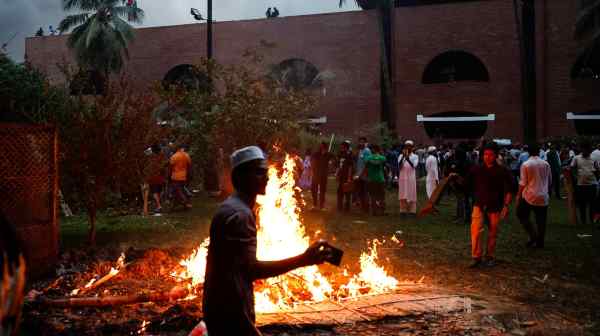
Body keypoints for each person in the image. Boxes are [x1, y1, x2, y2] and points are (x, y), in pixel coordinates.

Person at [202, 146, 333, 336]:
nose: (267, 177)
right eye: (259, 173)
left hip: (223, 306)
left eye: (266, 172)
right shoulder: (239, 215)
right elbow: (251, 269)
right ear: (240, 176)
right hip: (230, 311)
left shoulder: (235, 208)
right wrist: (304, 260)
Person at [459, 143, 514, 268]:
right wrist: (454, 178)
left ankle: (489, 256)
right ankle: (476, 257)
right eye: (485, 154)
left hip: (495, 206)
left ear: (495, 156)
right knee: (476, 231)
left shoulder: (502, 171)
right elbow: (465, 184)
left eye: (490, 155)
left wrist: (505, 206)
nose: (487, 157)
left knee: (493, 232)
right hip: (479, 205)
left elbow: (509, 189)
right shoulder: (476, 169)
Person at [516, 143, 551, 248]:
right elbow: (549, 181)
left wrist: (518, 196)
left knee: (521, 214)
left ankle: (533, 235)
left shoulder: (526, 164)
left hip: (529, 195)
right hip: (543, 196)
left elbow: (522, 183)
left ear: (528, 152)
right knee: (541, 220)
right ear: (539, 151)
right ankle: (540, 241)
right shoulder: (546, 164)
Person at [570, 142, 600, 225]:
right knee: (582, 204)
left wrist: (597, 177)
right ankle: (583, 221)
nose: (585, 152)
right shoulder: (576, 158)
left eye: (587, 150)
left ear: (590, 150)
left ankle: (591, 220)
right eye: (583, 149)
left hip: (592, 185)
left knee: (592, 204)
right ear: (581, 149)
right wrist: (575, 177)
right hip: (581, 185)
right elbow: (572, 168)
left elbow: (597, 170)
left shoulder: (594, 158)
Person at [144, 144, 167, 214]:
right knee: (159, 191)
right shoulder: (162, 156)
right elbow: (164, 165)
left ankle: (159, 206)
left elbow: (145, 154)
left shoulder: (151, 156)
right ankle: (159, 205)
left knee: (154, 192)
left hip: (153, 177)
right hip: (161, 176)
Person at [398, 140, 418, 216]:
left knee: (412, 193)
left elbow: (414, 166)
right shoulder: (400, 156)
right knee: (402, 193)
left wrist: (407, 158)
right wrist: (403, 156)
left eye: (410, 146)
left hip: (411, 178)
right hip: (403, 177)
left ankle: (412, 211)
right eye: (406, 146)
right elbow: (399, 166)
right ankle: (402, 210)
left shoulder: (415, 156)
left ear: (412, 147)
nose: (408, 147)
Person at [169, 144, 192, 210]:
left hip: (175, 176)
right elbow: (189, 165)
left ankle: (184, 201)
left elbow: (170, 167)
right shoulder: (186, 155)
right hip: (184, 175)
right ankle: (178, 204)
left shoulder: (174, 156)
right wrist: (189, 174)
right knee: (181, 189)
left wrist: (169, 175)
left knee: (178, 190)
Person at [365, 144, 387, 215]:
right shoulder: (382, 158)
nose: (371, 150)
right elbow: (384, 161)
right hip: (381, 179)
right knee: (381, 196)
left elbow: (366, 162)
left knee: (373, 196)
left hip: (372, 179)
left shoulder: (368, 158)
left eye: (372, 149)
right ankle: (382, 211)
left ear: (373, 149)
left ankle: (374, 211)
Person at [311, 142, 332, 210]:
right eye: (321, 146)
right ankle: (314, 204)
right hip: (316, 174)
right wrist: (313, 170)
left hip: (323, 175)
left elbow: (333, 161)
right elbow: (312, 161)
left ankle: (321, 205)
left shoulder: (328, 155)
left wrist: (330, 162)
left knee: (322, 190)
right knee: (314, 190)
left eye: (323, 147)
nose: (321, 148)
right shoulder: (316, 154)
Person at [354, 137, 372, 213]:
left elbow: (367, 164)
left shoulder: (367, 151)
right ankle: (362, 207)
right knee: (360, 191)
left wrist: (361, 174)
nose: (361, 143)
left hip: (365, 175)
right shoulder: (360, 151)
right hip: (359, 175)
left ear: (365, 143)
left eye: (362, 142)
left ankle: (366, 208)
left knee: (365, 192)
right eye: (360, 142)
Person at [336, 141, 354, 212]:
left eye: (342, 146)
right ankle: (339, 206)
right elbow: (339, 165)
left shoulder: (349, 155)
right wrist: (337, 174)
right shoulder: (340, 154)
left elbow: (350, 167)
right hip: (341, 175)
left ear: (346, 147)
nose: (341, 148)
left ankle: (347, 207)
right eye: (341, 146)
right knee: (340, 191)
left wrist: (349, 178)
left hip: (347, 175)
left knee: (347, 192)